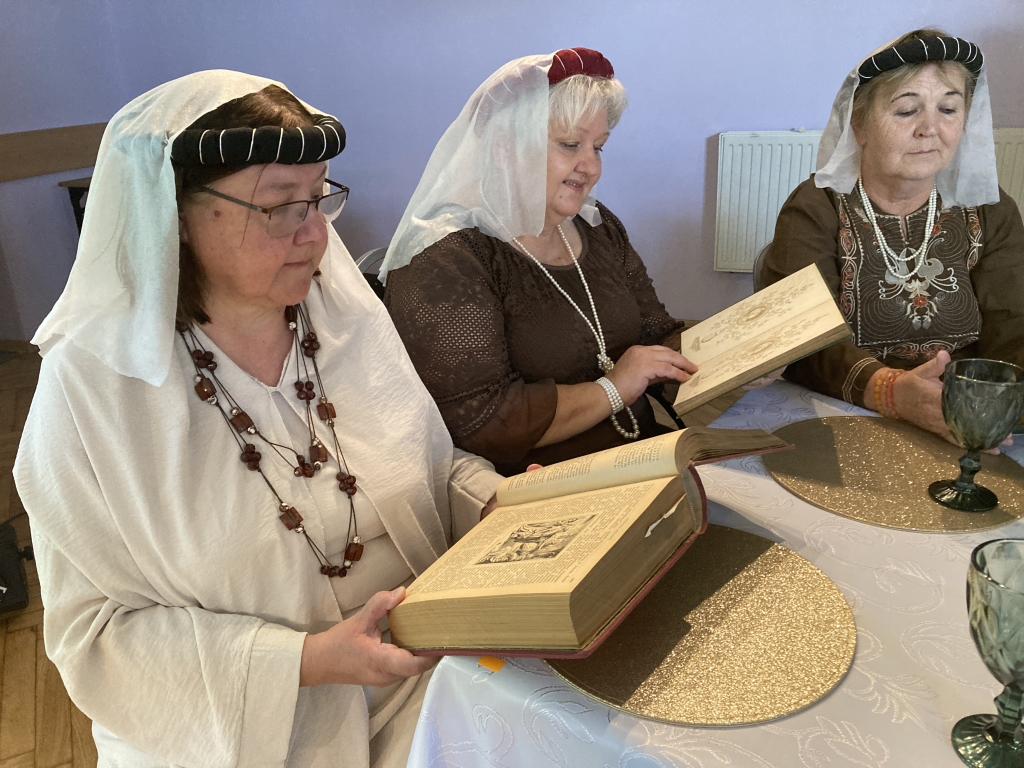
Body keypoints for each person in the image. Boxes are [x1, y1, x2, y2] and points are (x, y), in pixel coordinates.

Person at [13, 71, 503, 768]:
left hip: (427, 679)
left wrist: (496, 501)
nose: (315, 234)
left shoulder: (343, 316)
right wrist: (308, 660)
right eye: (278, 206)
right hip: (252, 732)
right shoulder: (93, 386)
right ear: (175, 215)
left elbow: (427, 468)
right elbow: (95, 633)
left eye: (319, 197)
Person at [381, 49, 696, 476]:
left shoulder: (598, 228)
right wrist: (614, 388)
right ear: (504, 147)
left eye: (599, 147)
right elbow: (481, 420)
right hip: (535, 486)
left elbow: (655, 332)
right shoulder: (447, 257)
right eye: (570, 145)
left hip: (642, 457)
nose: (591, 167)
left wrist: (742, 355)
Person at [764, 29, 1024, 440]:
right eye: (906, 111)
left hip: (964, 411)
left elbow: (1014, 326)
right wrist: (890, 391)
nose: (930, 128)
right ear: (859, 125)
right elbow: (801, 339)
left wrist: (988, 402)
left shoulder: (991, 209)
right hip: (847, 409)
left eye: (949, 109)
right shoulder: (815, 207)